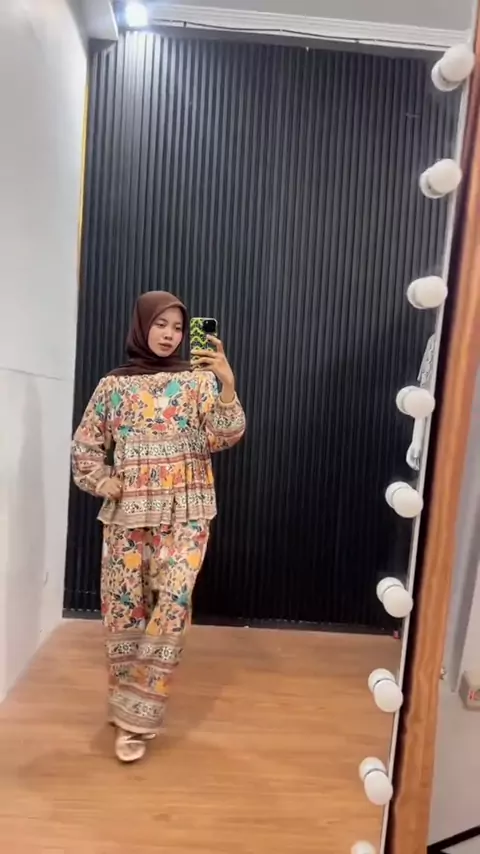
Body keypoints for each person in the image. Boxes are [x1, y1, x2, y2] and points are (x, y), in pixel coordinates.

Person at [71, 291, 245, 763]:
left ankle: (138, 714)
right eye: (160, 324)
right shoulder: (113, 385)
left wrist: (226, 383)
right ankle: (125, 708)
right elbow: (85, 447)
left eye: (177, 327)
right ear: (142, 326)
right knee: (126, 612)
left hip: (187, 511)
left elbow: (224, 436)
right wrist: (103, 481)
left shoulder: (198, 380)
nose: (169, 335)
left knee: (172, 602)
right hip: (128, 516)